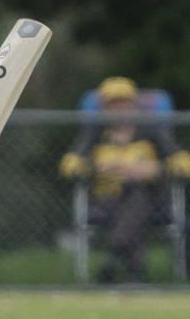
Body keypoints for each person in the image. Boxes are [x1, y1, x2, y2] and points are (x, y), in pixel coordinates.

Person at [59, 76, 190, 283]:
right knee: (133, 206)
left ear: (134, 106)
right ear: (103, 108)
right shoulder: (94, 134)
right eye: (113, 104)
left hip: (152, 200)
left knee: (137, 194)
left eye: (124, 103)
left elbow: (182, 163)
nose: (119, 109)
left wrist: (153, 169)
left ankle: (113, 259)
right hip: (107, 201)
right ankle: (135, 275)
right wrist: (96, 168)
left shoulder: (152, 131)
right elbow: (70, 166)